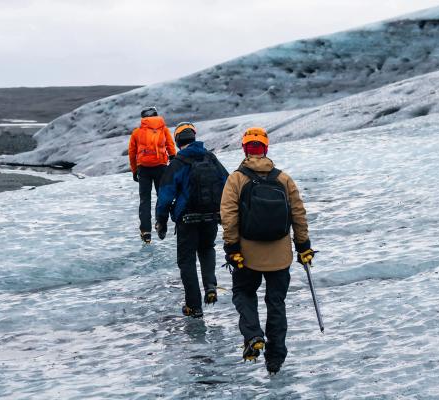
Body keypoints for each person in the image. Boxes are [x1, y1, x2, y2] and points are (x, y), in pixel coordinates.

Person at [220, 127, 315, 375]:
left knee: (243, 293)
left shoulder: (236, 179)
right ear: (266, 148)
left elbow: (228, 216)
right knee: (276, 303)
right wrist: (303, 246)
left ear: (244, 149)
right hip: (280, 255)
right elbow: (298, 214)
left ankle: (253, 336)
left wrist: (232, 248)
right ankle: (275, 358)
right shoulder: (283, 179)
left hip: (247, 255)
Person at [155, 122, 229, 318]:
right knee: (207, 248)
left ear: (178, 141)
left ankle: (194, 306)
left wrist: (161, 221)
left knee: (187, 262)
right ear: (194, 137)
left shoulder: (178, 163)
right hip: (211, 216)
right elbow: (227, 183)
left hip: (187, 219)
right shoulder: (211, 158)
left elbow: (165, 195)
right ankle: (210, 285)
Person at [129, 107, 176, 244]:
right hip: (161, 166)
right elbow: (170, 146)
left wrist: (134, 170)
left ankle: (146, 232)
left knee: (145, 200)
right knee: (161, 196)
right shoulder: (163, 129)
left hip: (143, 168)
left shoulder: (137, 132)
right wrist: (173, 160)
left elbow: (132, 153)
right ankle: (160, 223)